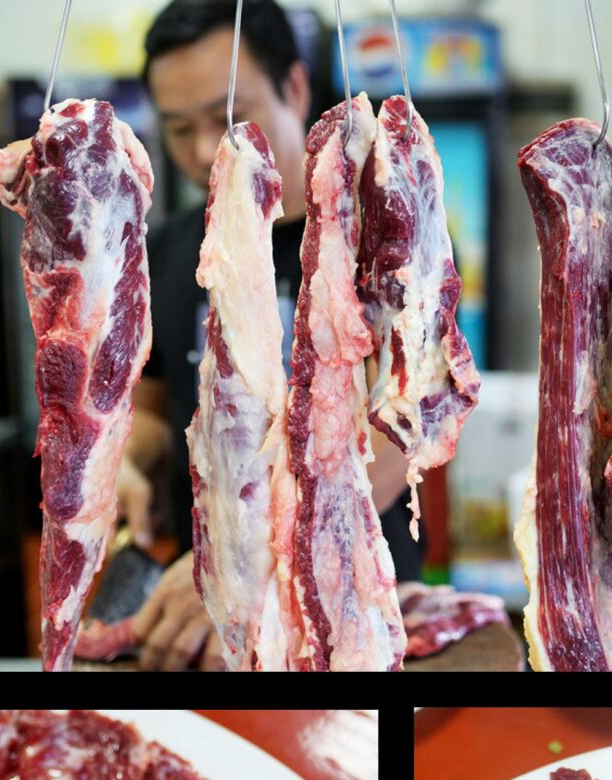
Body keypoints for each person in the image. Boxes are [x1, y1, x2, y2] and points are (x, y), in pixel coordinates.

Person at [121, 0, 420, 669]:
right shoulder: (168, 249)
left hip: (356, 605)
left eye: (229, 118)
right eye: (179, 129)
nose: (207, 150)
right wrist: (125, 466)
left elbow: (403, 431)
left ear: (293, 86)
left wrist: (243, 566)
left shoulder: (378, 236)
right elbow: (155, 410)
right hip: (209, 622)